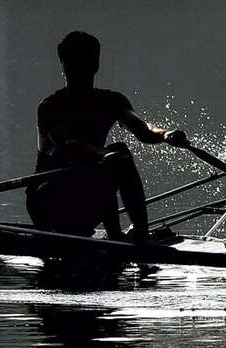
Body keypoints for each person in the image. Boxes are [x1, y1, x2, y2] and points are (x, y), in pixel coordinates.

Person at [28, 31, 188, 242]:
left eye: (83, 62)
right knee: (111, 159)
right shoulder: (50, 107)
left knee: (118, 152)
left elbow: (145, 130)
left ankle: (139, 232)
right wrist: (103, 155)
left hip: (86, 197)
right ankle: (117, 238)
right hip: (48, 203)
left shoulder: (111, 101)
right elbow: (69, 143)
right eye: (72, 63)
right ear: (63, 65)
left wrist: (167, 134)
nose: (77, 69)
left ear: (96, 64)